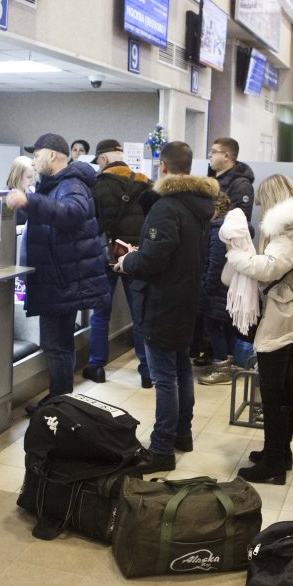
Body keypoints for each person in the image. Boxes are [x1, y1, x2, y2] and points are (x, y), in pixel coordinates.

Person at [113, 141, 218, 472]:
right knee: (181, 368)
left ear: (163, 167)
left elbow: (155, 258)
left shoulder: (167, 206)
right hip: (187, 297)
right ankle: (181, 435)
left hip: (162, 300)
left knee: (164, 377)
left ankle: (161, 450)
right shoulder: (200, 204)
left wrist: (128, 261)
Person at [223, 177, 293, 484]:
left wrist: (237, 255)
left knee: (273, 389)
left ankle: (273, 463)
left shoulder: (287, 232)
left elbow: (269, 268)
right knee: (286, 387)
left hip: (282, 313)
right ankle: (280, 451)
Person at [5, 133, 108, 414]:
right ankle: (61, 401)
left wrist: (30, 202)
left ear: (52, 155)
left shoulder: (70, 183)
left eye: (37, 155)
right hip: (59, 277)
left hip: (62, 279)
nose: (34, 161)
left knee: (56, 345)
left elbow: (72, 214)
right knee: (58, 343)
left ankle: (60, 404)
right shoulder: (56, 185)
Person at [83, 139, 153, 387]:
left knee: (101, 314)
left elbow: (93, 224)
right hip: (136, 257)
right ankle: (146, 371)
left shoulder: (98, 186)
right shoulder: (145, 182)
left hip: (106, 258)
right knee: (139, 314)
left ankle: (97, 366)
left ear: (103, 159)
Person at [197, 191, 239, 385]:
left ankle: (221, 366)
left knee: (213, 326)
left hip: (216, 288)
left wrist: (206, 287)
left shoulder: (217, 229)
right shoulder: (231, 227)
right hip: (228, 286)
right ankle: (227, 363)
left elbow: (214, 262)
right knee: (226, 326)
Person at [208, 137, 255, 222]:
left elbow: (237, 223)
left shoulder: (241, 186)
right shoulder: (213, 181)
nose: (209, 155)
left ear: (226, 156)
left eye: (214, 152)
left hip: (222, 234)